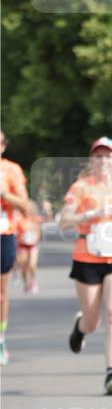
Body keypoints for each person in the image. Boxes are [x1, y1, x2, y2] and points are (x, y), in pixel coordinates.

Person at [59, 137, 112, 395]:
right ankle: (81, 328)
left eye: (108, 156)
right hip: (87, 256)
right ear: (92, 160)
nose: (103, 160)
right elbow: (64, 222)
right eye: (99, 156)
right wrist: (89, 214)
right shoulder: (80, 187)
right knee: (93, 322)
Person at [0, 130, 29, 365]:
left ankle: (1, 338)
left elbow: (25, 205)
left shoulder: (12, 170)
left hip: (3, 235)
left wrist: (5, 193)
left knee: (1, 294)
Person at [16, 200, 43, 293]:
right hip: (22, 245)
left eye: (29, 209)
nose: (27, 210)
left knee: (32, 264)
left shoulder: (36, 219)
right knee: (23, 266)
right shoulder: (19, 219)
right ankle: (26, 283)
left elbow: (43, 222)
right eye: (25, 209)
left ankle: (33, 281)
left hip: (33, 245)